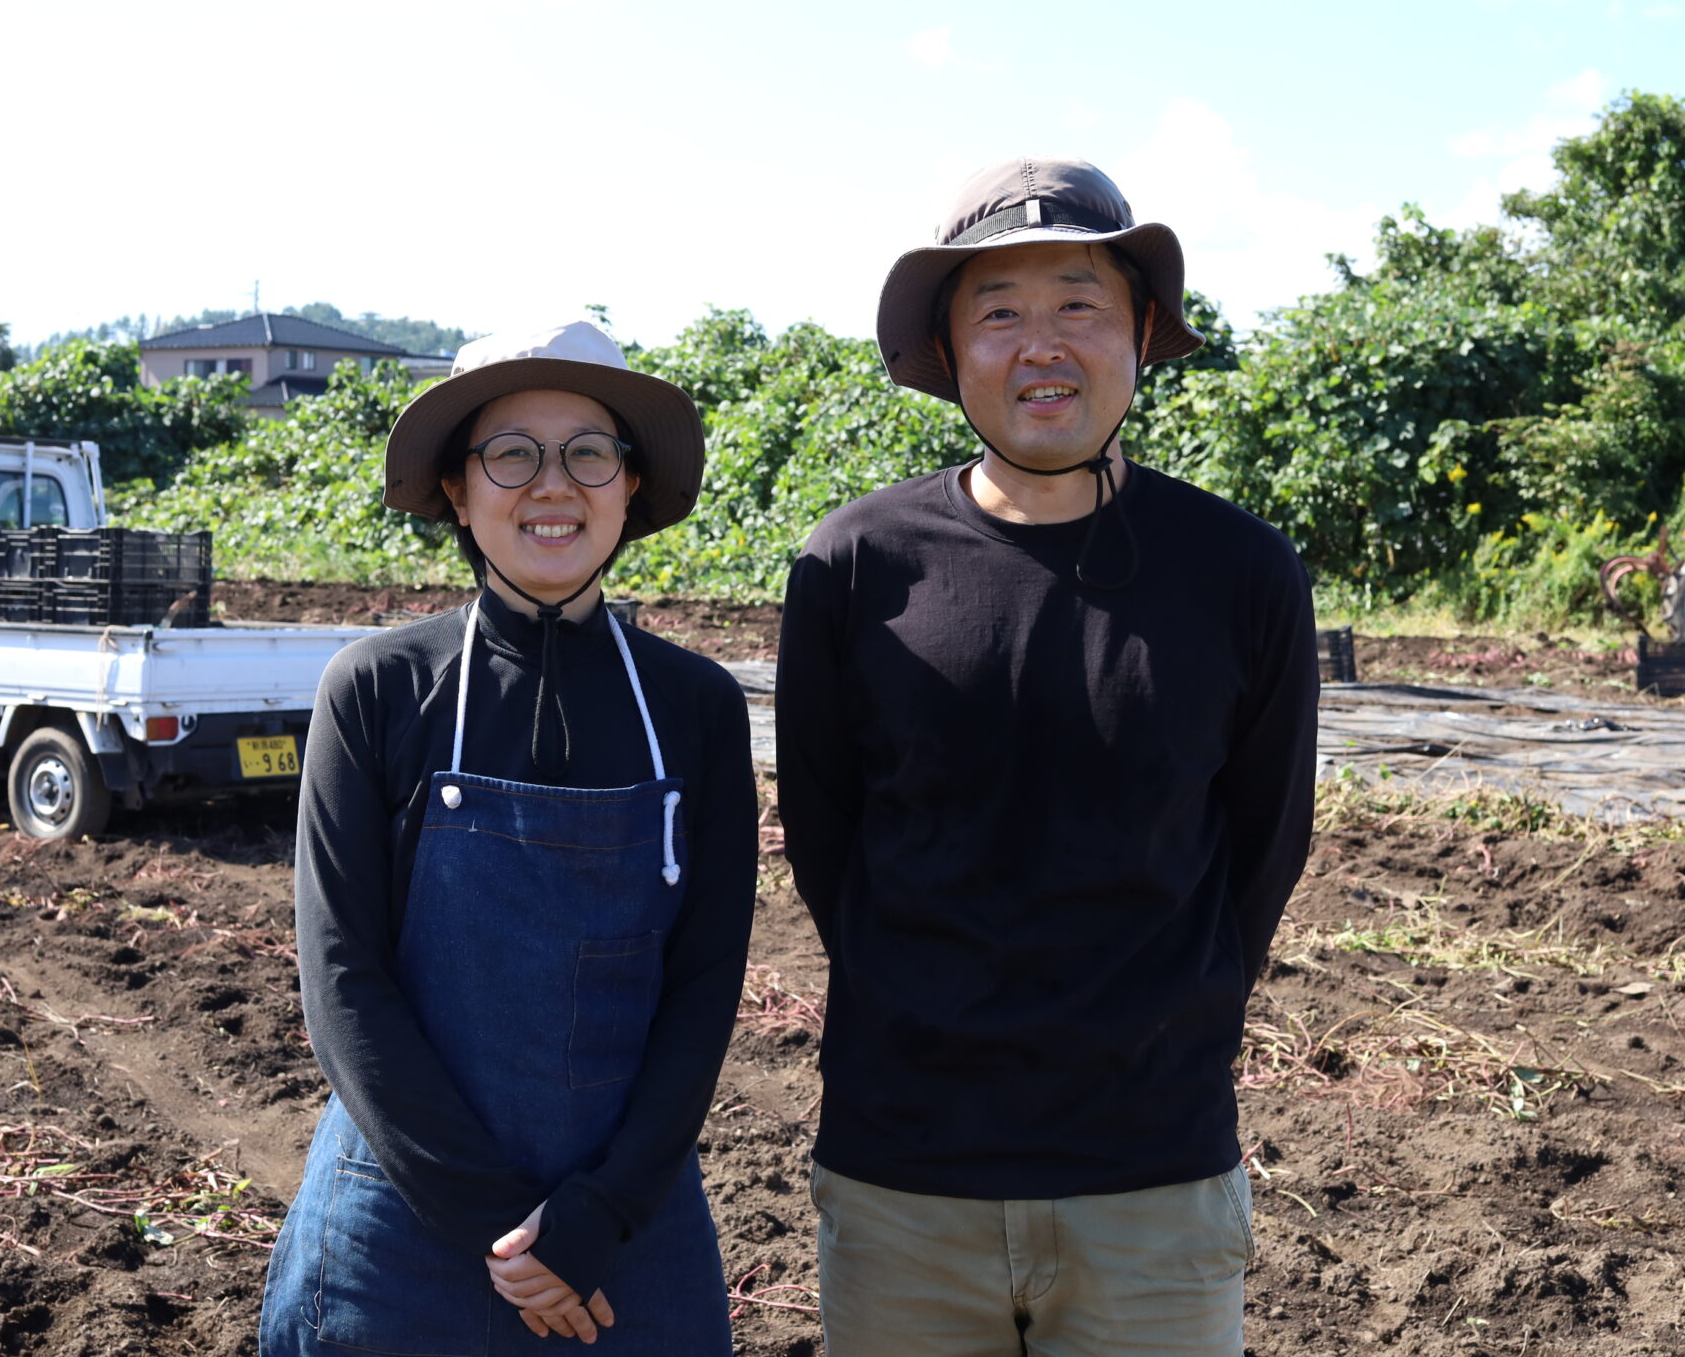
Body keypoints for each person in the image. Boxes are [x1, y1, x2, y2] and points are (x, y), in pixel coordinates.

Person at [776, 157, 1320, 1354]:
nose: (1042, 344)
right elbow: (826, 842)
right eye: (999, 310)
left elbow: (1263, 845)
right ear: (949, 348)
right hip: (902, 1176)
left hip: (1151, 1177)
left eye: (1078, 302)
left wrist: (1163, 1025)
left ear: (1138, 331)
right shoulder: (854, 566)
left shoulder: (1240, 573)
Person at [263, 320, 755, 1355]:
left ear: (629, 484)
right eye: (511, 453)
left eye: (587, 451)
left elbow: (705, 985)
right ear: (457, 488)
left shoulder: (695, 705)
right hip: (405, 1214)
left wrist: (597, 1215)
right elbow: (341, 980)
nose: (552, 484)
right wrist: (500, 1231)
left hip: (627, 1216)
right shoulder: (379, 689)